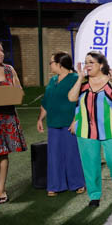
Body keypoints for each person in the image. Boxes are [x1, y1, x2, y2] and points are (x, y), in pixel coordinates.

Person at [68, 51, 112, 208]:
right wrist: (79, 78)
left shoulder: (110, 81)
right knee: (90, 164)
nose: (87, 65)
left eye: (91, 62)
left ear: (101, 65)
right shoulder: (83, 83)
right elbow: (71, 98)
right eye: (86, 62)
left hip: (110, 128)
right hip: (86, 130)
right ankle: (95, 195)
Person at [37, 51, 85, 196]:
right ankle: (55, 185)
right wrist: (40, 119)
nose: (50, 65)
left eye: (51, 62)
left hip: (69, 123)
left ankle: (78, 183)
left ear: (59, 64)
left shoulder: (76, 78)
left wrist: (75, 121)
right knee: (54, 156)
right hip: (53, 123)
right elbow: (46, 102)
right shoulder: (52, 81)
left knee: (72, 154)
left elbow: (82, 103)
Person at [0, 40, 27, 205]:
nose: (1, 54)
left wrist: (11, 94)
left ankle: (1, 190)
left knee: (2, 154)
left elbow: (19, 92)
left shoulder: (9, 70)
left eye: (2, 51)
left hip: (6, 118)